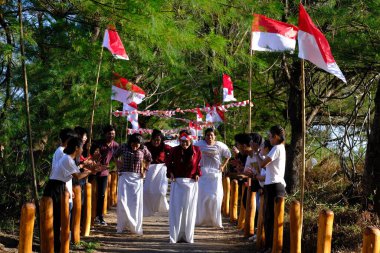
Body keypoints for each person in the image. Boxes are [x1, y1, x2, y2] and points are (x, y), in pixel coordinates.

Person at [43, 137, 91, 252]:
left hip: (59, 187)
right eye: (82, 147)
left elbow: (64, 177)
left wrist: (68, 191)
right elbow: (78, 176)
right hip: (54, 188)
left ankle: (56, 246)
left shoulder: (69, 159)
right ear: (76, 148)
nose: (83, 150)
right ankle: (53, 246)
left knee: (58, 218)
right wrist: (91, 171)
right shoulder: (68, 159)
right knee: (55, 218)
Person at [165, 129, 202, 243]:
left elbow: (199, 165)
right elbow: (169, 164)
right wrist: (170, 173)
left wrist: (197, 174)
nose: (184, 144)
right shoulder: (174, 150)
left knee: (189, 210)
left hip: (191, 183)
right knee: (177, 209)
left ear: (190, 140)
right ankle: (175, 236)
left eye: (186, 141)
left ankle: (187, 236)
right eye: (182, 141)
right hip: (178, 182)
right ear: (179, 140)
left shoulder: (197, 150)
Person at [255, 125, 286, 253]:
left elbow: (263, 164)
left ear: (276, 136)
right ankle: (269, 246)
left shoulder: (277, 148)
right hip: (273, 184)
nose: (269, 139)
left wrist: (258, 155)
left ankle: (271, 247)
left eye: (270, 136)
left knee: (271, 218)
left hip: (274, 185)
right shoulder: (280, 148)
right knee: (269, 218)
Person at [113, 133, 152, 234]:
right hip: (124, 176)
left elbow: (149, 159)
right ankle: (121, 226)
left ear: (140, 144)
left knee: (135, 203)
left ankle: (134, 226)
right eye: (133, 144)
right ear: (130, 142)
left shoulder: (144, 149)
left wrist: (145, 170)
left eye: (137, 145)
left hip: (137, 178)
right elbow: (115, 155)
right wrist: (118, 165)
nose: (135, 147)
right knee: (122, 200)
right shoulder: (123, 147)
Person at [194, 128, 231, 228]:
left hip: (215, 173)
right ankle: (200, 220)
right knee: (202, 197)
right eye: (207, 135)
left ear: (215, 136)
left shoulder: (220, 145)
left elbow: (228, 155)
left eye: (211, 135)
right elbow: (192, 154)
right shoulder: (198, 144)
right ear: (204, 136)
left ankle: (214, 221)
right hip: (203, 173)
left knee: (215, 197)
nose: (209, 137)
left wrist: (223, 166)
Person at [94, 125, 119, 226]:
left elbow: (117, 159)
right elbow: (92, 156)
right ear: (105, 134)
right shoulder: (98, 143)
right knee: (90, 194)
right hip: (93, 171)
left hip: (104, 173)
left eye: (113, 133)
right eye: (109, 134)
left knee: (101, 195)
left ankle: (99, 216)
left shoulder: (115, 145)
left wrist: (118, 168)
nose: (111, 135)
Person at [143, 129, 171, 216]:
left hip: (161, 169)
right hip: (149, 168)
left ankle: (159, 208)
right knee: (147, 190)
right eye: (154, 139)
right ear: (151, 139)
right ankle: (148, 209)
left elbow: (175, 153)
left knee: (161, 192)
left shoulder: (165, 147)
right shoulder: (146, 146)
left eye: (158, 140)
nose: (156, 142)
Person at [50, 128, 77, 210]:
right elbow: (60, 175)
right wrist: (67, 190)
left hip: (64, 191)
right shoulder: (62, 152)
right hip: (62, 193)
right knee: (63, 219)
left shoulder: (62, 151)